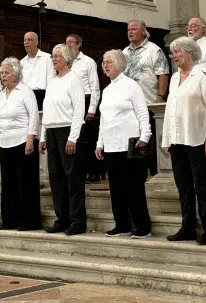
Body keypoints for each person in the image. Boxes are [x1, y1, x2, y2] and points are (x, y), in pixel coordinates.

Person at [162, 37, 206, 244]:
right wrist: (166, 138)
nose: (174, 56)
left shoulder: (204, 75)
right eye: (173, 53)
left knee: (202, 185)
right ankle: (187, 226)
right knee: (183, 186)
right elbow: (170, 109)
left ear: (189, 53)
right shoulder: (174, 78)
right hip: (178, 139)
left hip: (197, 138)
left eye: (178, 52)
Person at [96, 50, 152, 238]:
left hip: (130, 144)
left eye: (109, 61)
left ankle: (142, 226)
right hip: (111, 145)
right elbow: (103, 120)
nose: (105, 65)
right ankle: (122, 225)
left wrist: (145, 135)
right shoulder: (107, 90)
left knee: (134, 187)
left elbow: (142, 113)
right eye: (104, 62)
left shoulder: (131, 85)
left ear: (120, 63)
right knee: (116, 189)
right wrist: (99, 143)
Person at [40, 44, 87, 235]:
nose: (53, 59)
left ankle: (77, 221)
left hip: (67, 131)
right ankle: (62, 218)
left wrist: (73, 137)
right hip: (51, 131)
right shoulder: (52, 81)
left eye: (57, 56)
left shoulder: (73, 79)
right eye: (52, 56)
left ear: (67, 58)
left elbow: (79, 110)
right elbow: (47, 109)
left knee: (73, 178)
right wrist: (43, 136)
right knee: (56, 178)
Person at [0, 58, 42, 231]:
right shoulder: (0, 95)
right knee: (8, 184)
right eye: (2, 73)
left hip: (23, 142)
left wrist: (30, 139)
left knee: (25, 184)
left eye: (6, 72)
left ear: (16, 74)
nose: (3, 75)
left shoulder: (25, 91)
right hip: (6, 144)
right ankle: (9, 220)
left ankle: (28, 221)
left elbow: (33, 117)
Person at [123, 19, 169, 177]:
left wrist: (161, 96)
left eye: (134, 29)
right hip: (129, 107)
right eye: (128, 29)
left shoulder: (154, 50)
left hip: (148, 103)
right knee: (133, 141)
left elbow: (162, 72)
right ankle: (137, 174)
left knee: (150, 142)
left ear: (143, 31)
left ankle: (155, 173)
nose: (130, 32)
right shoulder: (124, 53)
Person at [66, 34, 103, 183]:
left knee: (89, 139)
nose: (68, 45)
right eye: (66, 43)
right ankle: (79, 172)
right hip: (71, 102)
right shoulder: (67, 63)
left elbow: (95, 87)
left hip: (86, 100)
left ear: (79, 44)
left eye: (71, 43)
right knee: (76, 138)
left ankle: (94, 172)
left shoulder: (88, 62)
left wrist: (92, 109)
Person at [21, 31, 54, 109]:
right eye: (25, 40)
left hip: (44, 96)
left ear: (36, 42)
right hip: (27, 97)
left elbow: (51, 80)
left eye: (29, 40)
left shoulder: (47, 58)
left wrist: (50, 99)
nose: (26, 42)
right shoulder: (21, 62)